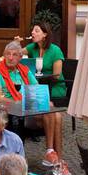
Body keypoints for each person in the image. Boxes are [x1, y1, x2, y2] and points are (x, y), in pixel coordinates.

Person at [0, 41, 71, 175]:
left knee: (56, 113)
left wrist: (45, 100)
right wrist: (20, 102)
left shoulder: (24, 70)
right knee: (55, 115)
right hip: (13, 114)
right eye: (8, 54)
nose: (10, 58)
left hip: (30, 112)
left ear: (19, 57)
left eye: (14, 55)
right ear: (4, 56)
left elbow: (36, 89)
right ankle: (55, 160)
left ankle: (52, 154)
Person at [22, 22, 66, 165]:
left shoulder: (55, 50)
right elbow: (14, 54)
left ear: (45, 34)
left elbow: (57, 75)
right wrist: (16, 44)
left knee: (51, 113)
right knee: (57, 116)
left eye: (36, 31)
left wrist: (38, 78)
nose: (33, 33)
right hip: (38, 89)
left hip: (54, 87)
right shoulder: (32, 48)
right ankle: (56, 157)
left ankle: (52, 154)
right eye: (32, 30)